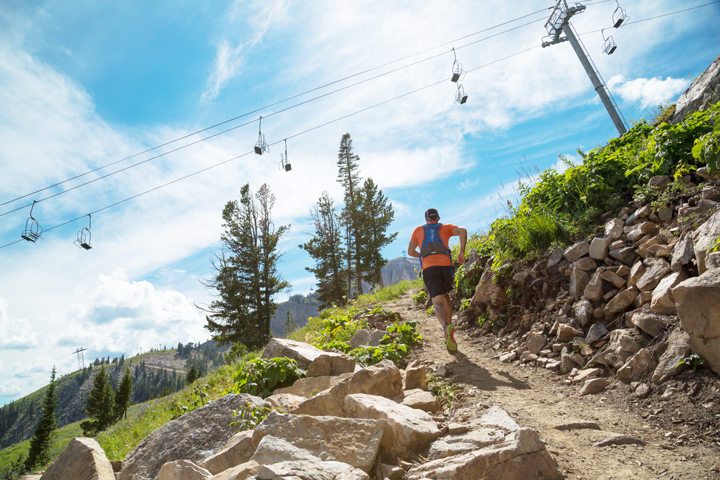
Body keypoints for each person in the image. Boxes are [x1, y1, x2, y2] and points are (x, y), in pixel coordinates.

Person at [407, 208, 467, 352]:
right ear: (438, 218)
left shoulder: (418, 230)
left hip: (430, 269)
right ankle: (449, 326)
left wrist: (422, 255)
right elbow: (463, 230)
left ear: (426, 219)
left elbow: (410, 252)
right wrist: (462, 252)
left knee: (437, 303)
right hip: (446, 267)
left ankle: (446, 329)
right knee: (446, 295)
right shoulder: (445, 228)